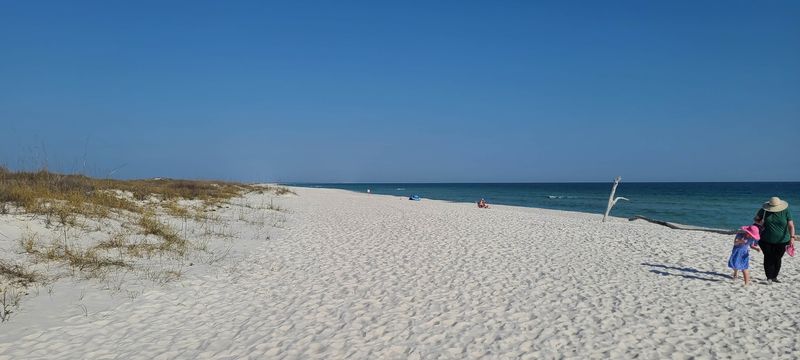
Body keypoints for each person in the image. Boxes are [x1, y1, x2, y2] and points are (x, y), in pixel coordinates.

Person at [754, 197, 796, 283]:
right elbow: (755, 219)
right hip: (765, 240)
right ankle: (769, 277)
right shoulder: (764, 210)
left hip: (783, 240)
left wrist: (792, 237)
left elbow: (791, 225)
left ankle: (774, 277)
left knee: (777, 258)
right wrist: (759, 222)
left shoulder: (785, 211)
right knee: (768, 257)